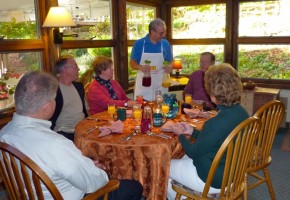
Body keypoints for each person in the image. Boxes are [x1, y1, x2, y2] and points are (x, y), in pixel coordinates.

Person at [0, 71, 143, 200]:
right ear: (47, 107)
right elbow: (96, 183)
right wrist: (98, 170)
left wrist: (84, 165)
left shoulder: (4, 133)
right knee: (133, 187)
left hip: (25, 194)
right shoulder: (55, 144)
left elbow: (49, 164)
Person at [167, 63, 249, 199]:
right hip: (234, 173)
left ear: (212, 91)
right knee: (180, 159)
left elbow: (194, 152)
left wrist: (180, 135)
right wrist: (192, 131)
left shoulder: (215, 122)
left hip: (214, 179)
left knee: (162, 166)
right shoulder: (242, 113)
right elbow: (216, 140)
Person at [130, 18, 173, 101]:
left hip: (161, 83)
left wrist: (170, 66)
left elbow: (170, 60)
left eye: (164, 32)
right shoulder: (139, 44)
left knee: (161, 108)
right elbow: (132, 63)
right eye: (161, 33)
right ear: (152, 31)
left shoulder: (165, 43)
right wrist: (140, 67)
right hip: (144, 84)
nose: (163, 35)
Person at [49, 55, 88, 141]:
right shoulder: (53, 90)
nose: (78, 69)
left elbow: (85, 111)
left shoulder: (79, 87)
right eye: (74, 66)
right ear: (64, 70)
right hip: (63, 133)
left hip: (83, 130)